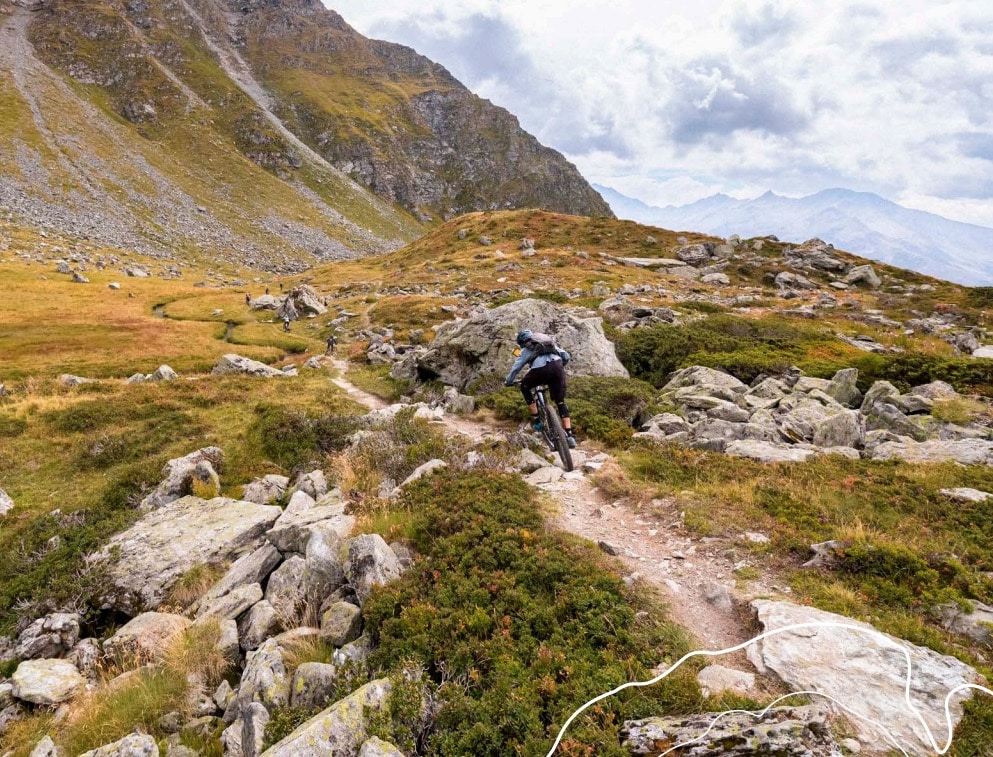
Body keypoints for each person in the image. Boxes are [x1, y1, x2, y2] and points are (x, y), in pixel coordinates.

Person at [504, 329, 576, 448]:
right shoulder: (547, 343)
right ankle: (569, 435)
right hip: (557, 366)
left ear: (522, 342)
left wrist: (508, 381)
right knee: (560, 402)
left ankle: (537, 420)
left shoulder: (525, 349)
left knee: (525, 386)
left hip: (540, 370)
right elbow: (566, 356)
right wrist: (558, 367)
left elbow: (516, 368)